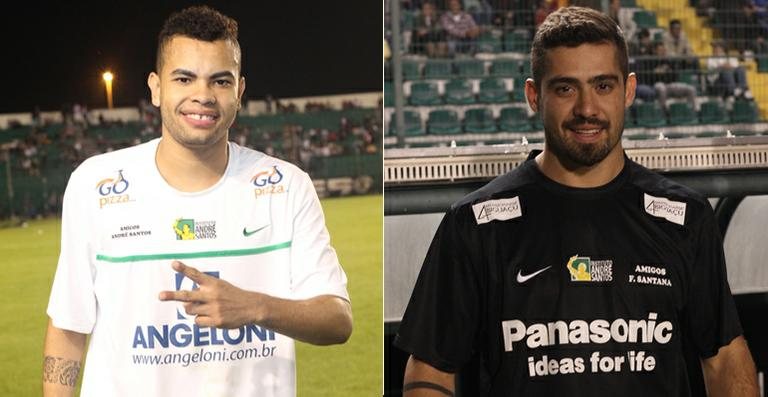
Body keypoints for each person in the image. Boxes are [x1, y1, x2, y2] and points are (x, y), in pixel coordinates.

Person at [395, 6, 758, 396]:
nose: (587, 109)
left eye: (603, 85)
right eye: (566, 88)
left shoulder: (685, 219)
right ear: (535, 95)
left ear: (629, 90)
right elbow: (429, 371)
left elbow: (723, 357)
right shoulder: (475, 225)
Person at [42, 6, 352, 397]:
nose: (202, 96)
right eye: (184, 78)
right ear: (155, 88)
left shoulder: (286, 187)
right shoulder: (96, 184)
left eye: (220, 81)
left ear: (239, 92)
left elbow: (338, 319)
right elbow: (69, 325)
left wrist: (256, 307)